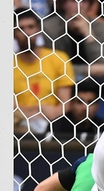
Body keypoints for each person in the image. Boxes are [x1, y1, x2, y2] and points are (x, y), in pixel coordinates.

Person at [14, 7, 75, 135]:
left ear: (39, 29)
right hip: (17, 126)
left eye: (31, 27)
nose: (26, 33)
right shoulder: (8, 64)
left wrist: (40, 114)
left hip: (53, 124)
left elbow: (64, 105)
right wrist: (40, 109)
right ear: (13, 33)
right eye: (21, 29)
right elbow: (10, 108)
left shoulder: (58, 58)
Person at [41, 0, 104, 79]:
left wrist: (88, 35)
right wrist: (87, 70)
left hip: (96, 82)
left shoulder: (101, 29)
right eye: (74, 1)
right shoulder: (49, 28)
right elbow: (51, 67)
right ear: (63, 4)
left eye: (84, 1)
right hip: (60, 81)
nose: (80, 5)